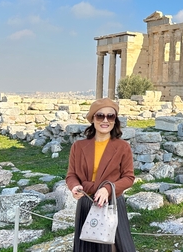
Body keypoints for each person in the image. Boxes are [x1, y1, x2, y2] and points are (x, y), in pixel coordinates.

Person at [67, 98, 136, 252]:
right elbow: (71, 175)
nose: (105, 120)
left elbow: (129, 178)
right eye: (100, 116)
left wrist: (107, 188)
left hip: (112, 204)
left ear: (115, 120)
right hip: (86, 202)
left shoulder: (123, 147)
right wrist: (74, 186)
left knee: (115, 247)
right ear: (92, 118)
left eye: (110, 116)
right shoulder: (78, 147)